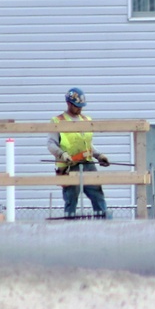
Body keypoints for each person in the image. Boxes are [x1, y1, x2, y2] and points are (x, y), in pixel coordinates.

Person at [47, 87, 109, 218]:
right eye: (76, 106)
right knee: (71, 201)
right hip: (69, 166)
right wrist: (62, 154)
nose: (79, 109)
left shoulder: (86, 120)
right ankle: (69, 228)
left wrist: (99, 155)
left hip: (87, 164)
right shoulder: (58, 121)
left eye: (81, 106)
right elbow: (51, 144)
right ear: (68, 103)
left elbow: (86, 143)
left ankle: (104, 225)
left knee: (98, 196)